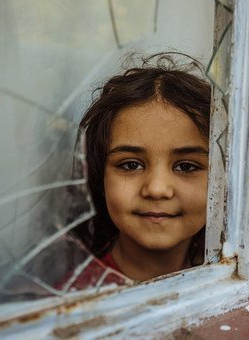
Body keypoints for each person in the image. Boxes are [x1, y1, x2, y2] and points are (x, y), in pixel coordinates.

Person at [61, 53, 211, 289]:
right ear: (101, 176)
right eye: (131, 165)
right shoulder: (71, 305)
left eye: (186, 166)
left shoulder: (231, 276)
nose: (156, 189)